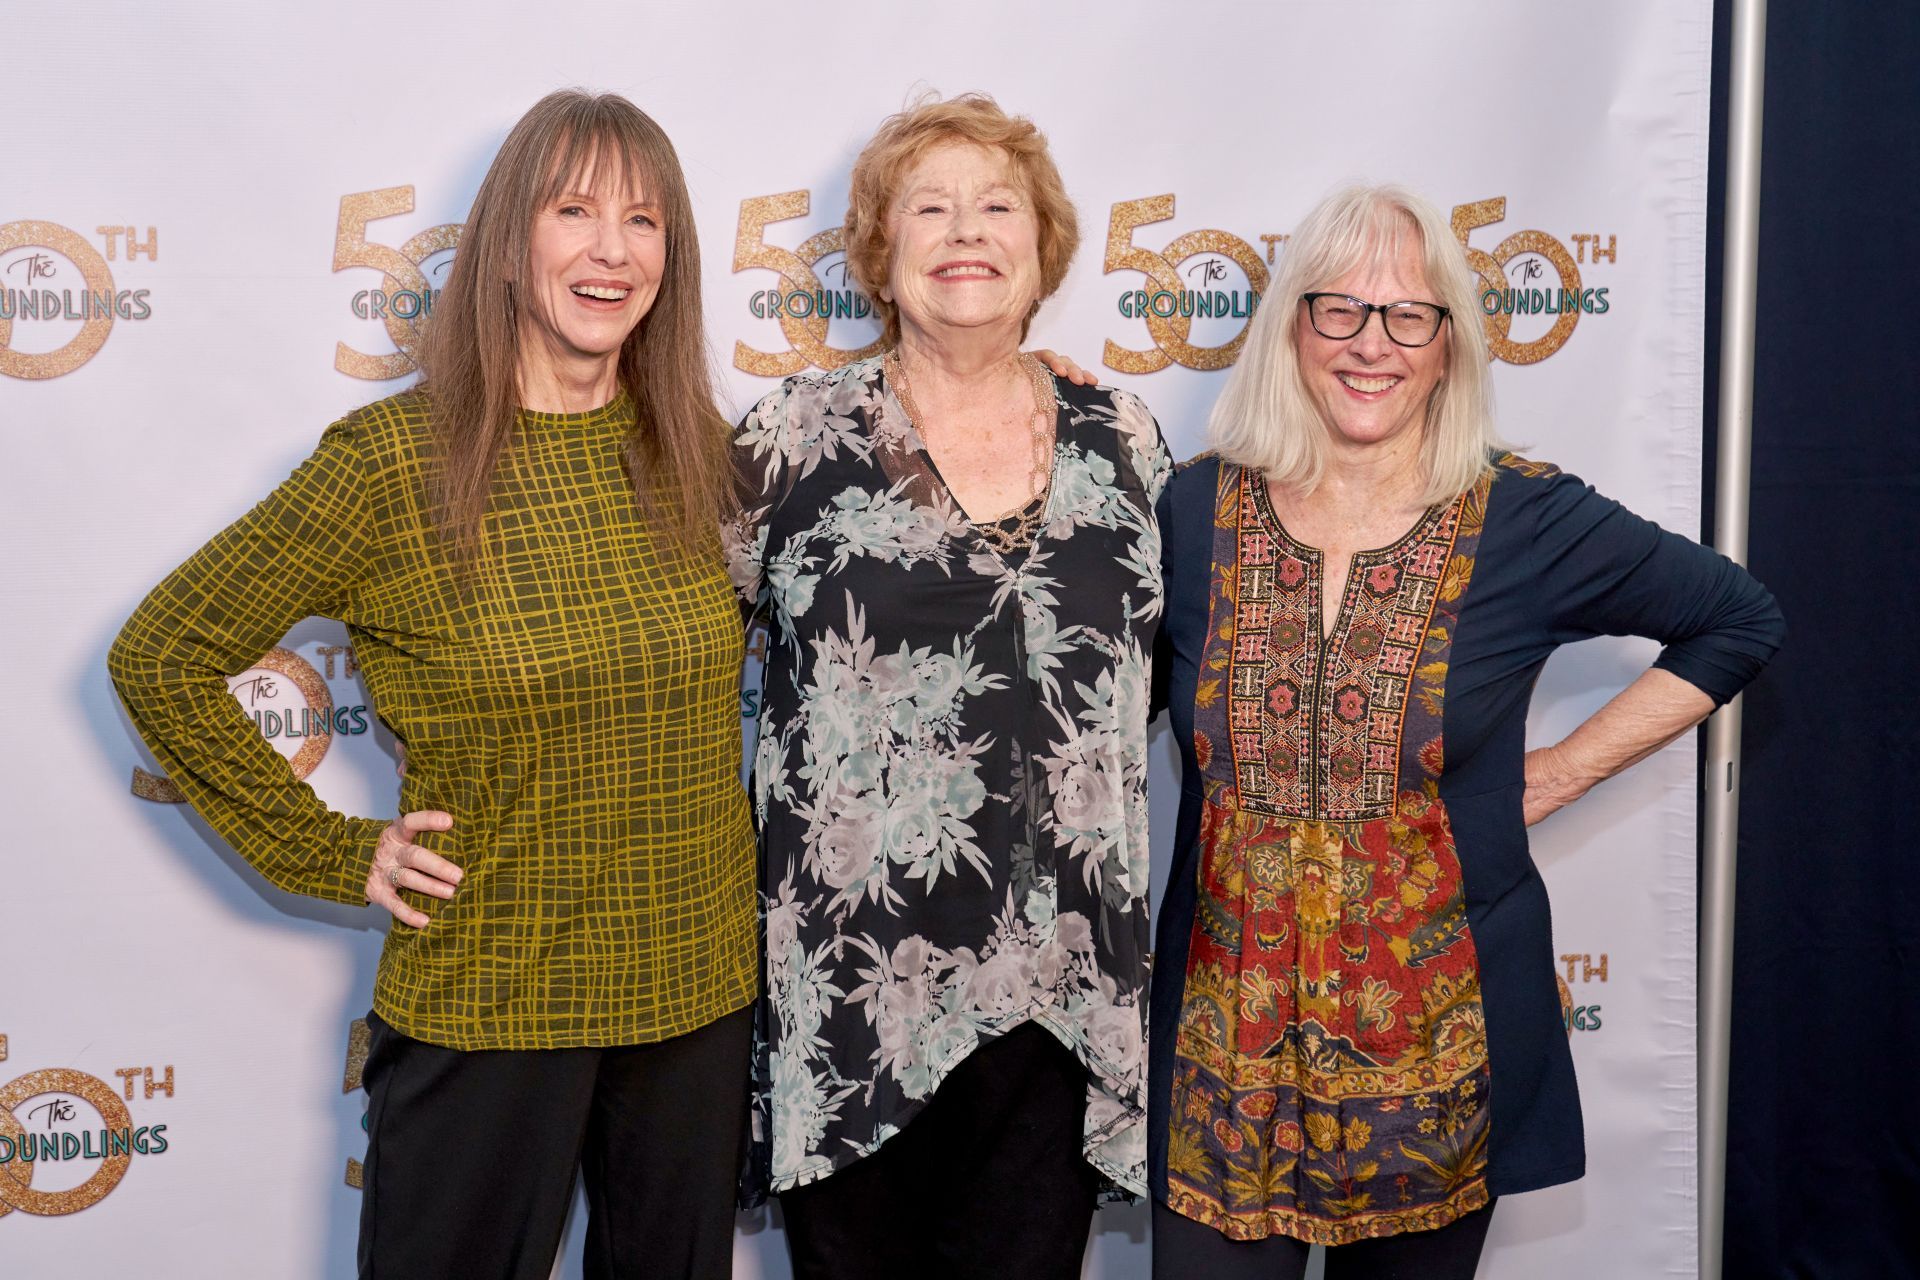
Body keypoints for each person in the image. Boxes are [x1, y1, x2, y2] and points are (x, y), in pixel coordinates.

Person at [108, 90, 755, 1280]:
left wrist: (1023, 374)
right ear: (512, 245)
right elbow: (163, 653)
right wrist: (328, 847)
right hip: (494, 995)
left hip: (698, 991)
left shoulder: (704, 453)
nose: (612, 249)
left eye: (645, 221)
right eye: (575, 211)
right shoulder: (392, 462)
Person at [1146, 183, 1783, 1278]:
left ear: (1451, 346)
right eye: (1339, 308)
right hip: (1221, 1050)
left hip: (1437, 1056)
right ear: (1292, 324)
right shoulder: (1192, 510)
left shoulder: (1522, 515)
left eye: (1410, 315)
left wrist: (1558, 773)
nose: (1372, 343)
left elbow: (1738, 618)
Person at [726, 93, 1170, 1279]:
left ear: (1043, 248)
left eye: (995, 205)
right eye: (929, 206)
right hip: (855, 982)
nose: (964, 230)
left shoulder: (1125, 435)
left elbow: (1164, 680)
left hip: (1063, 983)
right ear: (881, 251)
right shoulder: (792, 438)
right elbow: (669, 655)